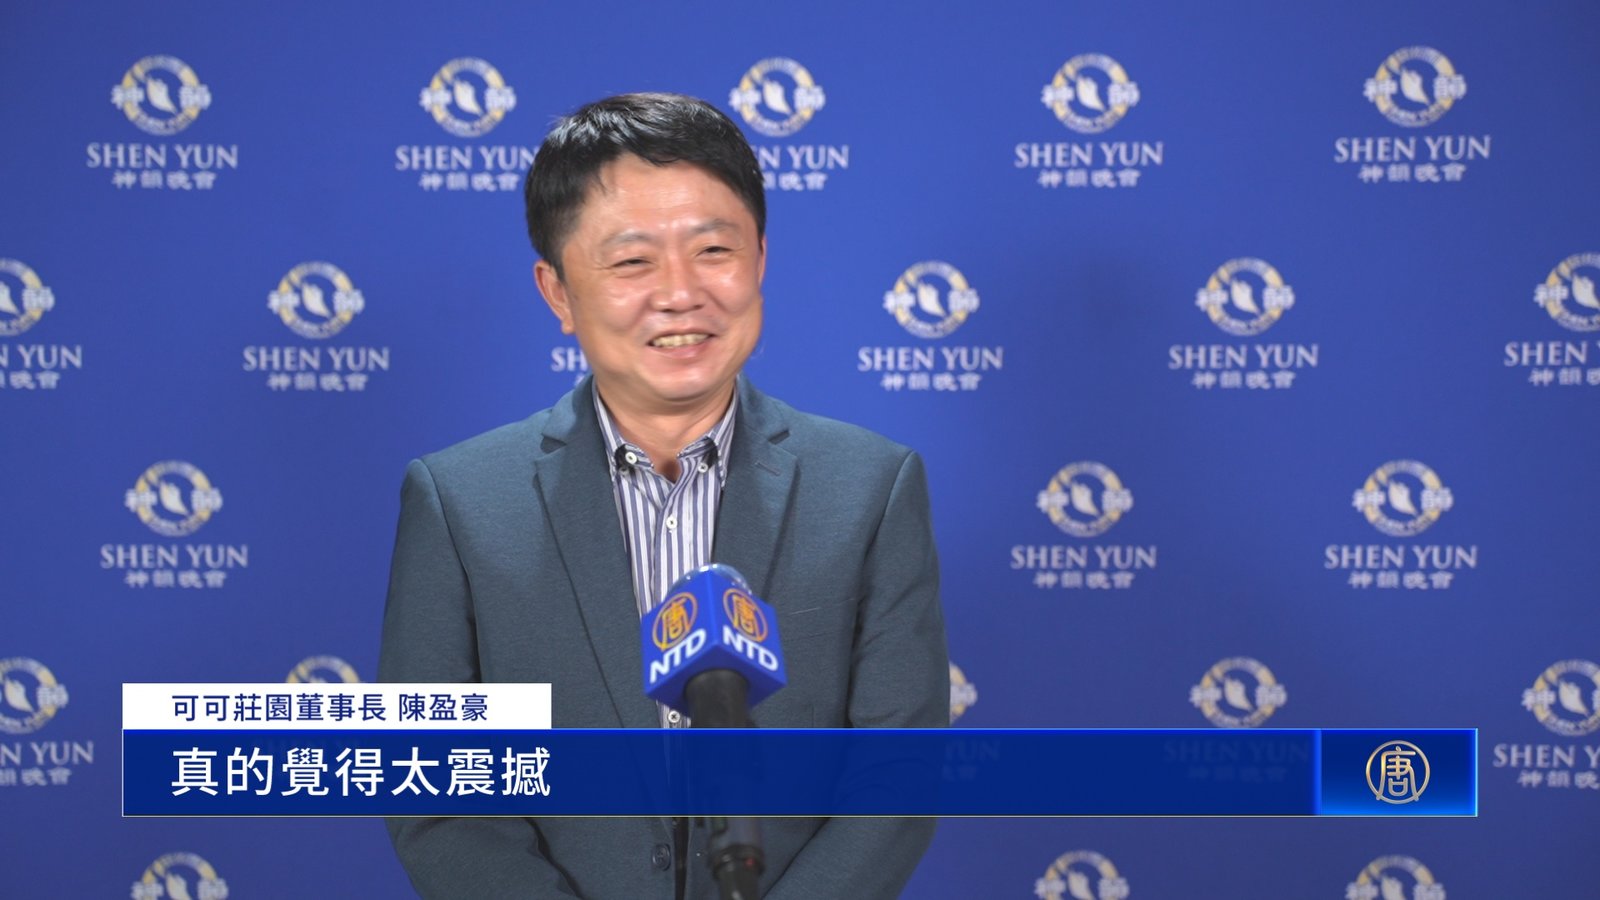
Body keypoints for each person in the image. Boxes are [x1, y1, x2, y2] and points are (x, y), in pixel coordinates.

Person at [379, 92, 948, 900]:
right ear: (558, 292)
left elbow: (896, 774)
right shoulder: (460, 501)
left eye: (714, 249)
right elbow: (437, 792)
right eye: (632, 261)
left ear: (760, 258)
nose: (681, 293)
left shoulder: (870, 486)